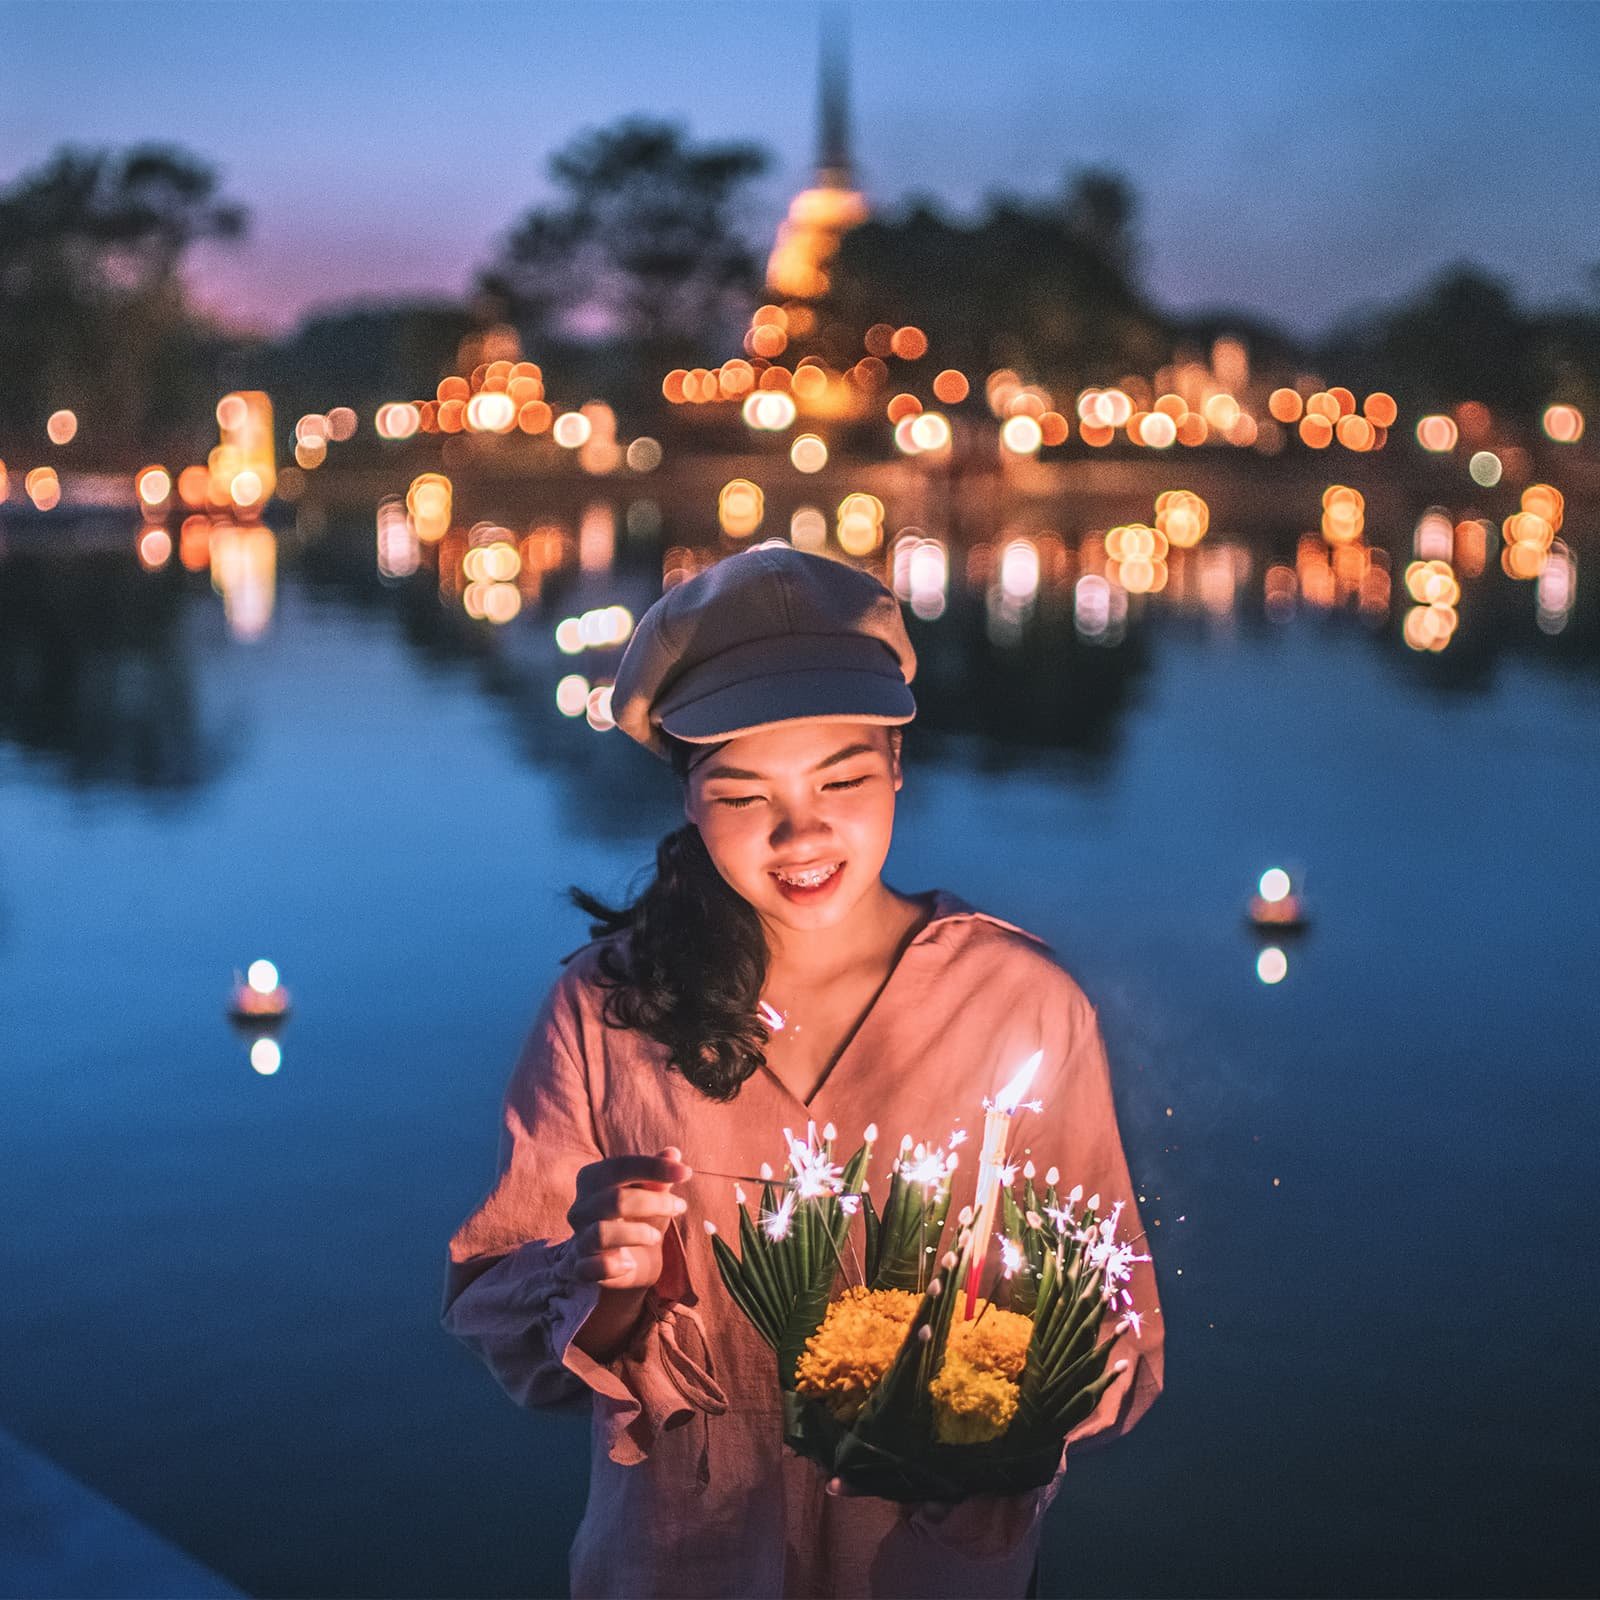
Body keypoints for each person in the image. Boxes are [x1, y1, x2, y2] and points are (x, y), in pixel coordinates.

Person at [441, 544, 1164, 1598]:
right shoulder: (608, 1010)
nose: (802, 830)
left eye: (843, 777)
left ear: (899, 765)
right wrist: (599, 1282)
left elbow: (1118, 1323)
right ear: (689, 797)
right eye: (745, 793)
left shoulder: (1022, 1005)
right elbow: (500, 1306)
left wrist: (1001, 1401)